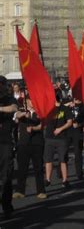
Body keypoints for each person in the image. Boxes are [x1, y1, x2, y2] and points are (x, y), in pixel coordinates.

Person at [13, 96, 46, 199]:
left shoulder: (40, 111)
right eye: (29, 100)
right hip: (23, 143)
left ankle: (41, 191)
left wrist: (33, 128)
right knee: (22, 168)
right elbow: (16, 116)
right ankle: (20, 191)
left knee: (38, 168)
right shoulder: (21, 111)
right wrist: (24, 114)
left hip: (37, 143)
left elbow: (42, 125)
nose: (31, 102)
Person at [44, 96, 73, 188]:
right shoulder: (48, 108)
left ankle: (65, 180)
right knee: (48, 160)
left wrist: (60, 129)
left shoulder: (64, 109)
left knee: (63, 160)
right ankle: (48, 179)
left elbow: (70, 122)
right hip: (49, 137)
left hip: (61, 138)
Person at [0, 76, 18, 219]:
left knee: (6, 176)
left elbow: (14, 108)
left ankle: (7, 205)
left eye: (1, 84)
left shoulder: (9, 99)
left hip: (5, 142)